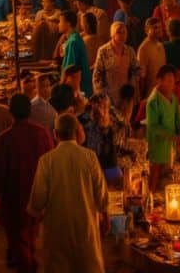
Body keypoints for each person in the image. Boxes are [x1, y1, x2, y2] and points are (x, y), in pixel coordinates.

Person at [28, 114, 109, 273]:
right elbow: (101, 193)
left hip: (57, 230)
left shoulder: (46, 160)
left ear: (55, 134)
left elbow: (37, 200)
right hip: (86, 227)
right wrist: (105, 215)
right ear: (77, 132)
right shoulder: (89, 157)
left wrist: (34, 224)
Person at [0, 94, 54, 273]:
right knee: (30, 235)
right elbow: (50, 163)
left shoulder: (5, 138)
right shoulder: (42, 133)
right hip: (37, 194)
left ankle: (27, 265)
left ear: (11, 112)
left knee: (19, 239)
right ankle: (28, 262)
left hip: (14, 197)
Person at [145, 64, 180, 188]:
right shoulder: (153, 101)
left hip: (170, 148)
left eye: (173, 81)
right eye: (168, 81)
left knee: (169, 177)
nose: (172, 84)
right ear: (159, 81)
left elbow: (179, 119)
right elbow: (153, 126)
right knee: (154, 177)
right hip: (157, 148)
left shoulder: (173, 98)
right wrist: (172, 136)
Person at [93, 21, 140, 105]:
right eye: (119, 32)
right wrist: (101, 96)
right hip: (109, 97)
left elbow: (136, 68)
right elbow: (97, 75)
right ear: (112, 34)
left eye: (124, 32)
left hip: (125, 97)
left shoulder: (129, 51)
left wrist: (139, 72)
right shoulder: (103, 51)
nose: (122, 35)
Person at [59, 10, 92, 97]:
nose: (58, 24)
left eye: (60, 21)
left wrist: (61, 86)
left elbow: (70, 69)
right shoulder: (75, 38)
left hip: (79, 88)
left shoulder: (72, 42)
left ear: (68, 23)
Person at [137, 17, 168, 98]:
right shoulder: (143, 49)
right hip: (150, 93)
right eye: (155, 27)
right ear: (147, 30)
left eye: (160, 27)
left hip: (162, 91)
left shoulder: (161, 45)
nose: (159, 30)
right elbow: (141, 77)